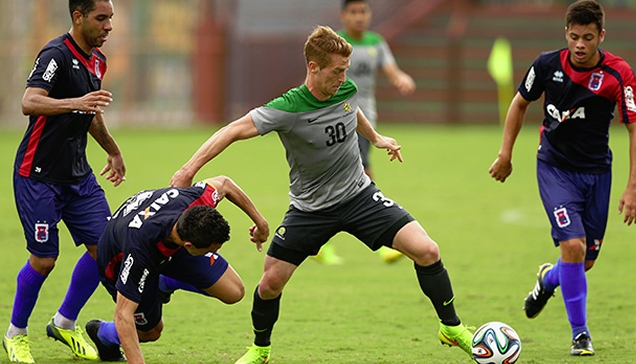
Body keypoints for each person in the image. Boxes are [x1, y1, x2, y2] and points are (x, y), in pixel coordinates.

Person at [170, 25, 473, 364]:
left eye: (346, 70)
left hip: (359, 197)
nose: (345, 78)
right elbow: (232, 131)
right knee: (270, 284)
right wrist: (188, 170)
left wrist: (375, 138)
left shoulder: (346, 88)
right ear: (313, 68)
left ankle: (451, 326)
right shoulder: (287, 107)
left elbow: (351, 110)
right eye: (337, 71)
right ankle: (260, 349)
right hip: (309, 210)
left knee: (427, 250)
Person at [489, 0, 636, 356]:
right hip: (554, 168)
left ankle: (547, 280)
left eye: (588, 38)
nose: (579, 44)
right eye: (574, 36)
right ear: (566, 33)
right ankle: (580, 334)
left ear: (601, 36)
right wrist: (505, 154)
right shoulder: (546, 65)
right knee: (573, 247)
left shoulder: (618, 74)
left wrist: (633, 186)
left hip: (597, 172)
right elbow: (518, 103)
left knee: (583, 261)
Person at [3, 1, 127, 363]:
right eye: (101, 18)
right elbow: (30, 102)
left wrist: (113, 151)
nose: (108, 26)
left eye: (111, 19)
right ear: (78, 17)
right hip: (38, 174)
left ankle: (64, 323)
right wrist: (77, 101)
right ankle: (15, 334)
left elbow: (89, 114)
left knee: (104, 249)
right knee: (44, 261)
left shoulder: (98, 61)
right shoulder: (55, 54)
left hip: (78, 176)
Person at [85, 176, 269, 363]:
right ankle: (103, 333)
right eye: (212, 250)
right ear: (189, 246)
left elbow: (225, 183)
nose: (215, 253)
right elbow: (123, 315)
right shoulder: (139, 253)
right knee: (151, 332)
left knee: (233, 290)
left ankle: (164, 283)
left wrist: (260, 223)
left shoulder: (193, 202)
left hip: (167, 245)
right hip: (121, 261)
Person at [315, 0, 418, 265]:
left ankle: (315, 241)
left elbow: (391, 70)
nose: (359, 17)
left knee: (348, 176)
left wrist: (400, 78)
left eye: (363, 11)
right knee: (360, 176)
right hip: (338, 117)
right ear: (343, 15)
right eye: (354, 12)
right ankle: (384, 241)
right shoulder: (335, 45)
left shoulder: (376, 43)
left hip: (365, 119)